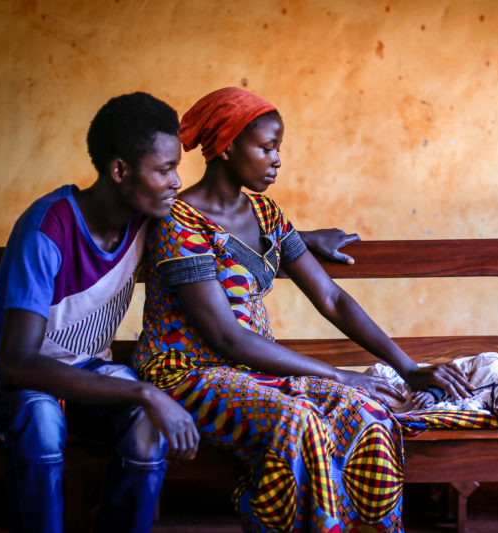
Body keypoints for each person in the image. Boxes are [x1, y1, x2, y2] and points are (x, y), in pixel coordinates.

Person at [0, 91, 359, 533]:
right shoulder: (47, 229)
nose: (178, 181)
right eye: (165, 170)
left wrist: (304, 238)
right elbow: (17, 363)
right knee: (43, 417)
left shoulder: (146, 216)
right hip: (9, 382)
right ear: (120, 171)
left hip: (86, 374)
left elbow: (225, 231)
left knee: (147, 428)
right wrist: (146, 392)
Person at [131, 87, 472, 532]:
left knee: (369, 414)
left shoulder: (267, 214)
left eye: (279, 149)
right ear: (228, 145)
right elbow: (226, 337)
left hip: (252, 371)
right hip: (186, 375)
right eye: (267, 147)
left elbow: (332, 299)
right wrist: (336, 374)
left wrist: (408, 368)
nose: (277, 160)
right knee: (300, 423)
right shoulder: (179, 222)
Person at [368, 352, 498, 426]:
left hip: (450, 409)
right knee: (383, 385)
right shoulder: (493, 364)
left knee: (390, 404)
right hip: (429, 387)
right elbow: (455, 375)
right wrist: (432, 393)